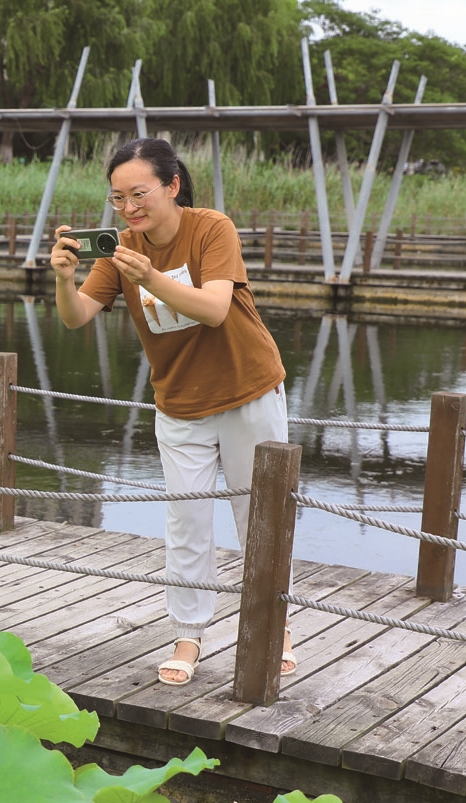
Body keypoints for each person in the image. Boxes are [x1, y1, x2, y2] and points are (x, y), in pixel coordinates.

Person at [49, 137, 295, 686]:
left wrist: (150, 278)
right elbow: (76, 316)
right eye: (118, 198)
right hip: (180, 403)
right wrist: (65, 280)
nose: (129, 208)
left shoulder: (211, 229)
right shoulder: (120, 249)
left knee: (260, 515)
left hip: (250, 391)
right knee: (187, 522)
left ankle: (275, 627)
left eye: (139, 194)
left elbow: (214, 308)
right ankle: (188, 635)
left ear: (172, 185)